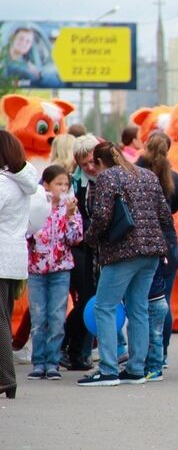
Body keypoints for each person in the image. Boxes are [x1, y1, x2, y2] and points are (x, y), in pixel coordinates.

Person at [78, 142, 174, 387]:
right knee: (138, 308)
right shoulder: (148, 175)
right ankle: (136, 369)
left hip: (122, 251)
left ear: (100, 162)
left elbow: (102, 216)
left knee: (104, 307)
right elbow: (165, 215)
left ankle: (108, 370)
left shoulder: (108, 177)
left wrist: (89, 239)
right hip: (151, 252)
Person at [26, 165, 83, 381]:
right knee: (38, 317)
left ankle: (52, 362)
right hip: (36, 270)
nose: (63, 188)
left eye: (66, 184)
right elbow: (27, 233)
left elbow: (75, 238)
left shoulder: (70, 209)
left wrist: (70, 216)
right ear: (46, 185)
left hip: (61, 270)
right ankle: (38, 362)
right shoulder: (36, 206)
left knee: (57, 317)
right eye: (58, 184)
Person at [135, 132, 178, 377]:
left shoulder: (135, 173)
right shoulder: (174, 177)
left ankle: (143, 354)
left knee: (140, 301)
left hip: (141, 240)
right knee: (163, 301)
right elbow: (176, 207)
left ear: (145, 146)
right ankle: (161, 354)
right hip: (167, 241)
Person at [0, 132, 39, 398]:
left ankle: (5, 378)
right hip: (14, 256)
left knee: (1, 319)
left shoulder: (3, 184)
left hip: (2, 255)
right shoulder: (21, 182)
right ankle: (7, 379)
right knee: (4, 314)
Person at [61, 134, 100, 371]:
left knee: (93, 300)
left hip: (100, 248)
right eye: (84, 164)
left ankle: (76, 351)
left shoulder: (108, 177)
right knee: (86, 299)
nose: (90, 167)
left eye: (93, 161)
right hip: (78, 248)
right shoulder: (73, 183)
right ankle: (70, 347)